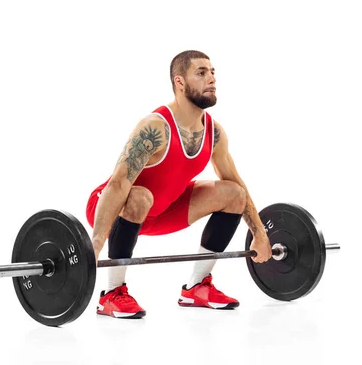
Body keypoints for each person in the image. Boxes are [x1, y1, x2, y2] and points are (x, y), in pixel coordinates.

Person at [85, 50, 272, 319]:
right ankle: (112, 294)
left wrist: (260, 232)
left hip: (161, 211)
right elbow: (117, 185)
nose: (211, 79)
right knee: (140, 196)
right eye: (201, 73)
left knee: (234, 193)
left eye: (212, 72)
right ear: (179, 82)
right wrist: (95, 245)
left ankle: (197, 287)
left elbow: (234, 180)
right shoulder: (155, 127)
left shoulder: (214, 132)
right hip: (112, 206)